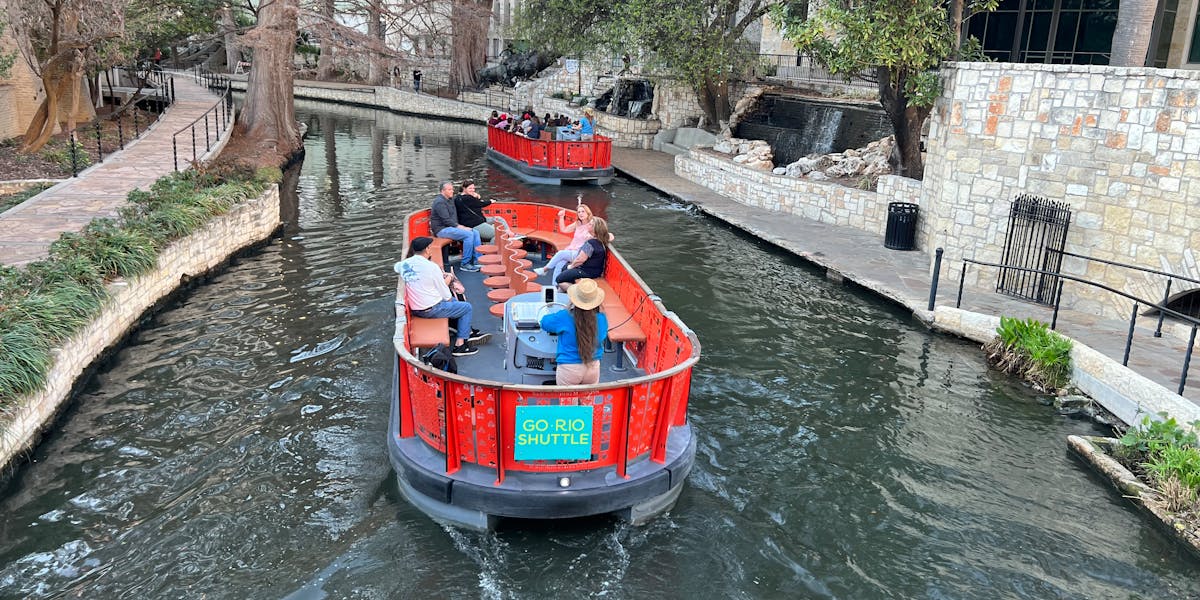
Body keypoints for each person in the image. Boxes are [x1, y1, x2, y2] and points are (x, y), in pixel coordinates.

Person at [395, 237, 491, 356]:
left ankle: (467, 331)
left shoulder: (404, 264)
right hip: (431, 309)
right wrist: (449, 278)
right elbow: (445, 293)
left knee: (456, 302)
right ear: (427, 249)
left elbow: (397, 268)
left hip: (416, 309)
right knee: (466, 307)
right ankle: (460, 345)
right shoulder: (431, 267)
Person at [539, 278, 609, 385]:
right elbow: (601, 336)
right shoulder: (602, 319)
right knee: (588, 401)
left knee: (568, 401)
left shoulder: (564, 316)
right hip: (593, 366)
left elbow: (544, 322)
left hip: (569, 368)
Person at [535, 203, 596, 281]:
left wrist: (608, 236)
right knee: (559, 264)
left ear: (588, 213)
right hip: (571, 250)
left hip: (580, 253)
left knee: (560, 253)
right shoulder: (577, 224)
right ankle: (555, 285)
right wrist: (561, 217)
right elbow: (564, 229)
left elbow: (604, 234)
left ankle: (545, 269)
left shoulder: (592, 224)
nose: (581, 214)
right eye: (579, 212)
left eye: (583, 211)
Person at [430, 181, 482, 272]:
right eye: (449, 190)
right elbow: (446, 220)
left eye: (452, 189)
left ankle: (478, 260)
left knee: (475, 232)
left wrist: (473, 195)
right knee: (468, 234)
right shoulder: (440, 202)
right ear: (443, 191)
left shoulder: (450, 199)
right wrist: (461, 227)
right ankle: (465, 264)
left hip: (451, 227)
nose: (452, 191)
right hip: (442, 229)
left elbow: (460, 198)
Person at [555, 217, 609, 291]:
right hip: (595, 271)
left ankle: (578, 293)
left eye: (590, 224)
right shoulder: (600, 241)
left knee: (559, 279)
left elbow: (580, 260)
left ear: (595, 228)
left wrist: (571, 266)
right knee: (565, 269)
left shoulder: (590, 243)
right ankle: (565, 292)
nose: (588, 225)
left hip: (587, 272)